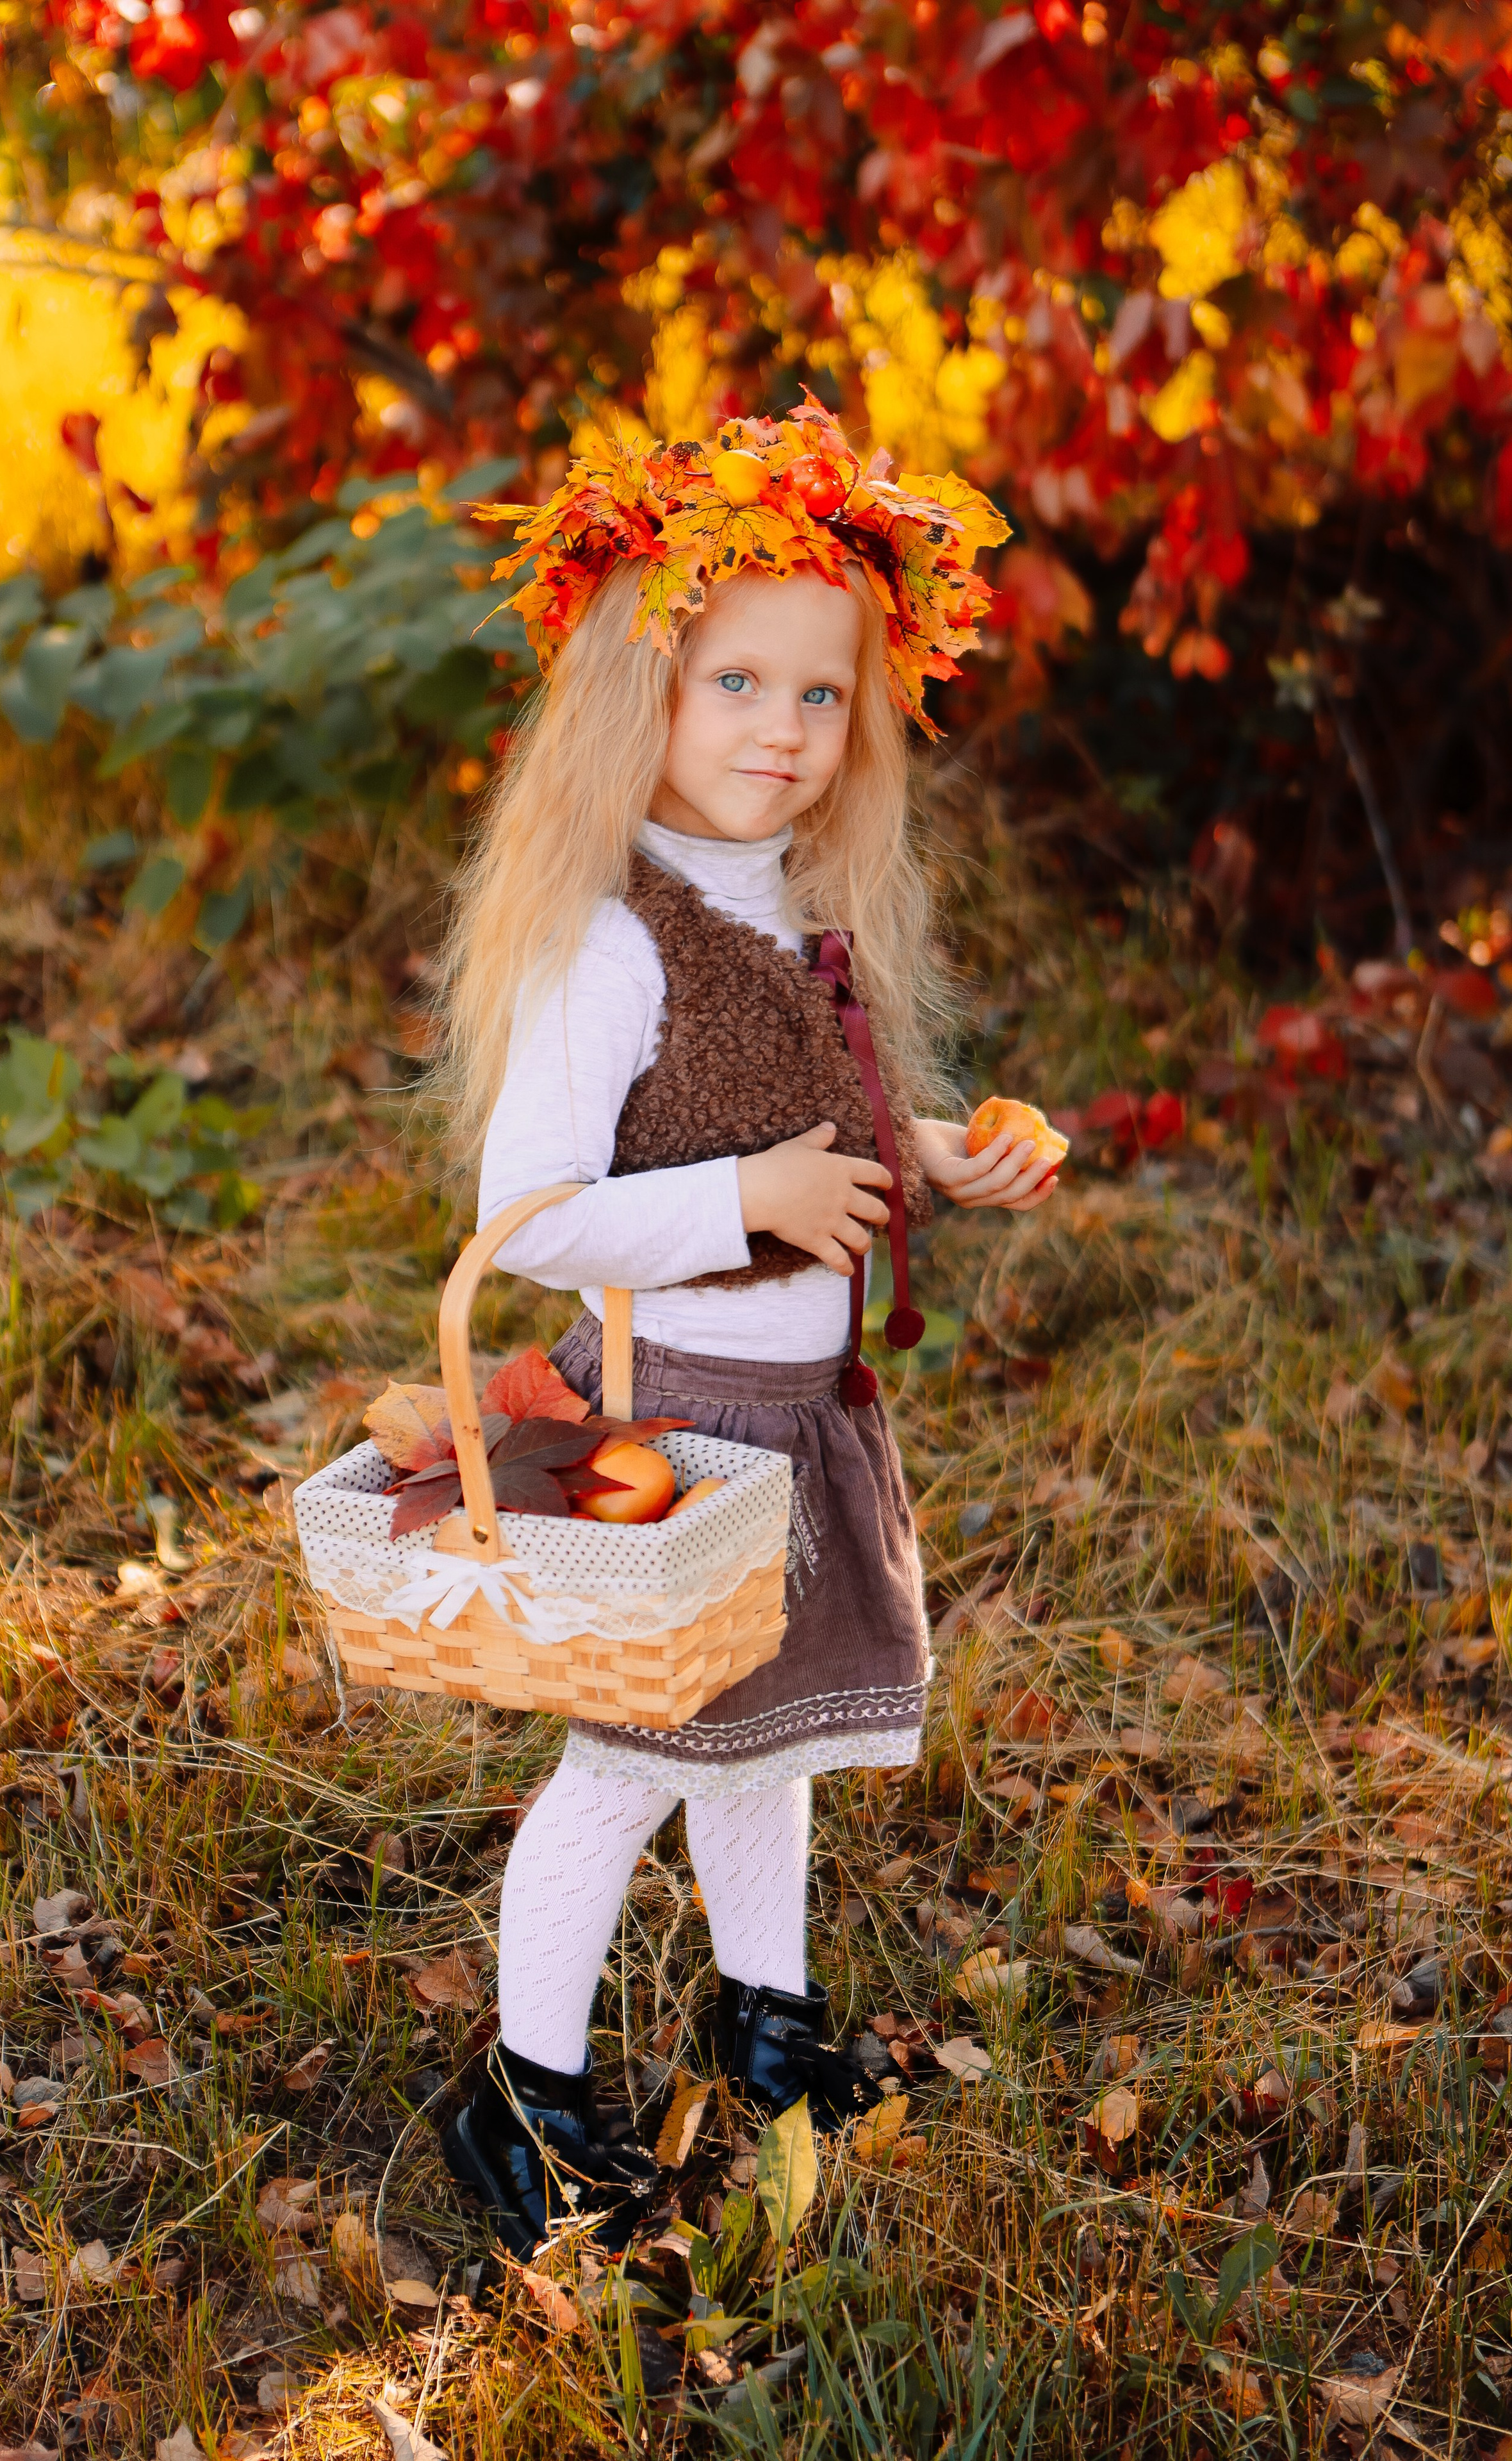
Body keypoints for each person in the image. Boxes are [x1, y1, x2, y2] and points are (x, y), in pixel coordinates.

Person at [431, 400, 1060, 2258]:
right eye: (736, 687)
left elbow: (820, 1130)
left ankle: (761, 2019)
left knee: (766, 1741)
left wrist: (936, 1154)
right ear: (647, 693)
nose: (782, 734)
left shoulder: (792, 909)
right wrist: (751, 1207)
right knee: (630, 1761)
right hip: (680, 1422)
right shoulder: (611, 941)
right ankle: (525, 2096)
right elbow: (525, 1219)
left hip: (807, 1416)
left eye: (820, 696)